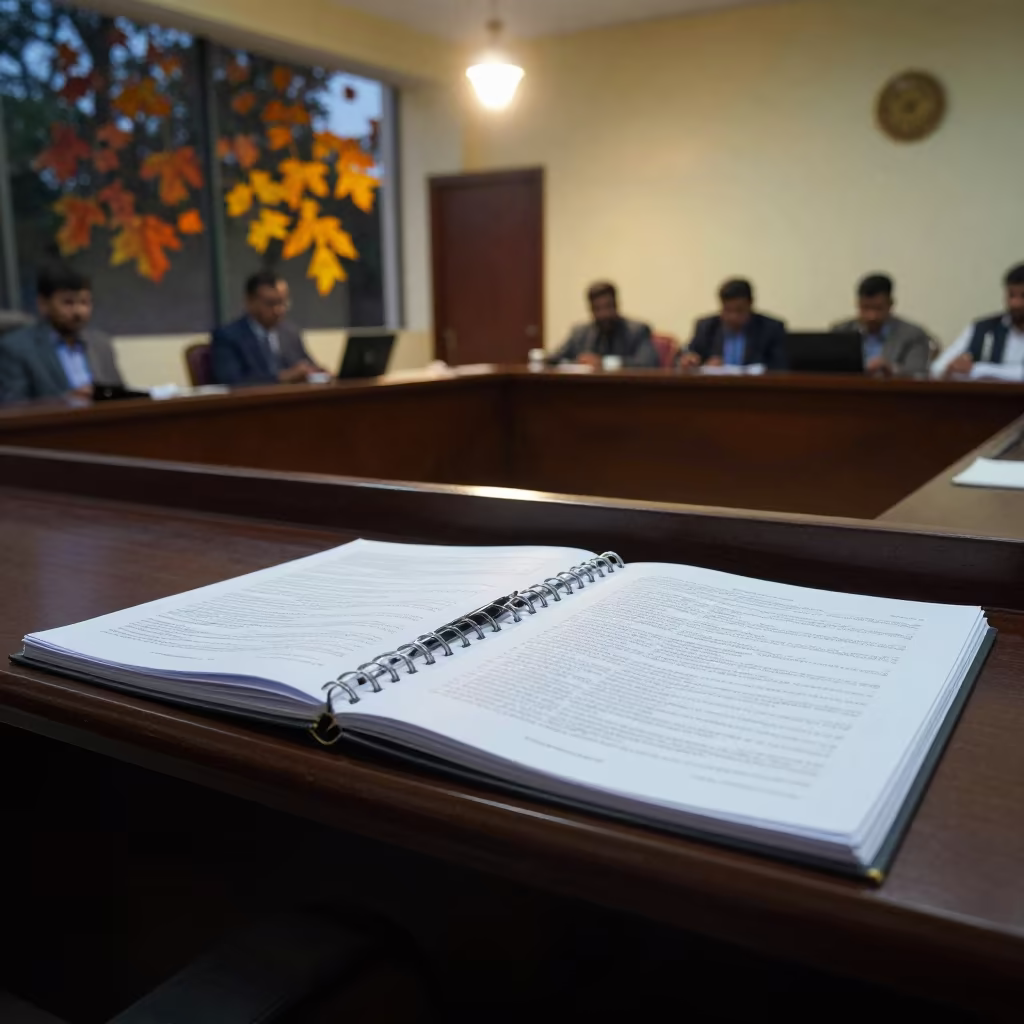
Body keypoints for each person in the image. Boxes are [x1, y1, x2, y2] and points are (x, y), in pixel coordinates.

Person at [0, 264, 123, 404]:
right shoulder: (15, 348)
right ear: (43, 304)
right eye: (68, 302)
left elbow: (120, 396)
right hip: (52, 424)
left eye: (84, 302)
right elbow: (12, 406)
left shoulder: (101, 344)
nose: (79, 312)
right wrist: (66, 401)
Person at [210, 271, 321, 386]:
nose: (279, 310)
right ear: (249, 302)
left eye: (283, 303)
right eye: (271, 303)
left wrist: (321, 373)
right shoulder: (228, 337)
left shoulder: (290, 333)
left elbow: (308, 366)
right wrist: (282, 377)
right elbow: (232, 382)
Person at [932, 263, 1024, 379]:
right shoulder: (984, 328)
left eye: (1023, 296)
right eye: (1011, 296)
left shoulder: (977, 369)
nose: (1015, 303)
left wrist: (977, 370)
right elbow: (937, 368)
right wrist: (952, 367)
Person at [832, 274, 934, 376]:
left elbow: (918, 373)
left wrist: (892, 369)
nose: (871, 316)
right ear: (858, 304)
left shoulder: (912, 335)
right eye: (865, 308)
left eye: (878, 308)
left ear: (890, 304)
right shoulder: (841, 331)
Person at [678, 279, 786, 369]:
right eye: (727, 310)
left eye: (739, 310)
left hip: (756, 391)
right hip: (715, 390)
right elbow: (687, 355)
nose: (733, 317)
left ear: (750, 304)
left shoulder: (770, 328)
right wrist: (693, 361)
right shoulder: (707, 327)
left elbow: (780, 367)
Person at [551, 281, 659, 368]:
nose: (604, 314)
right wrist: (577, 362)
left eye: (608, 307)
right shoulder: (580, 333)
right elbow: (554, 359)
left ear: (616, 305)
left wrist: (604, 362)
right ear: (590, 309)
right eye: (597, 309)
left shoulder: (637, 330)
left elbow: (648, 363)